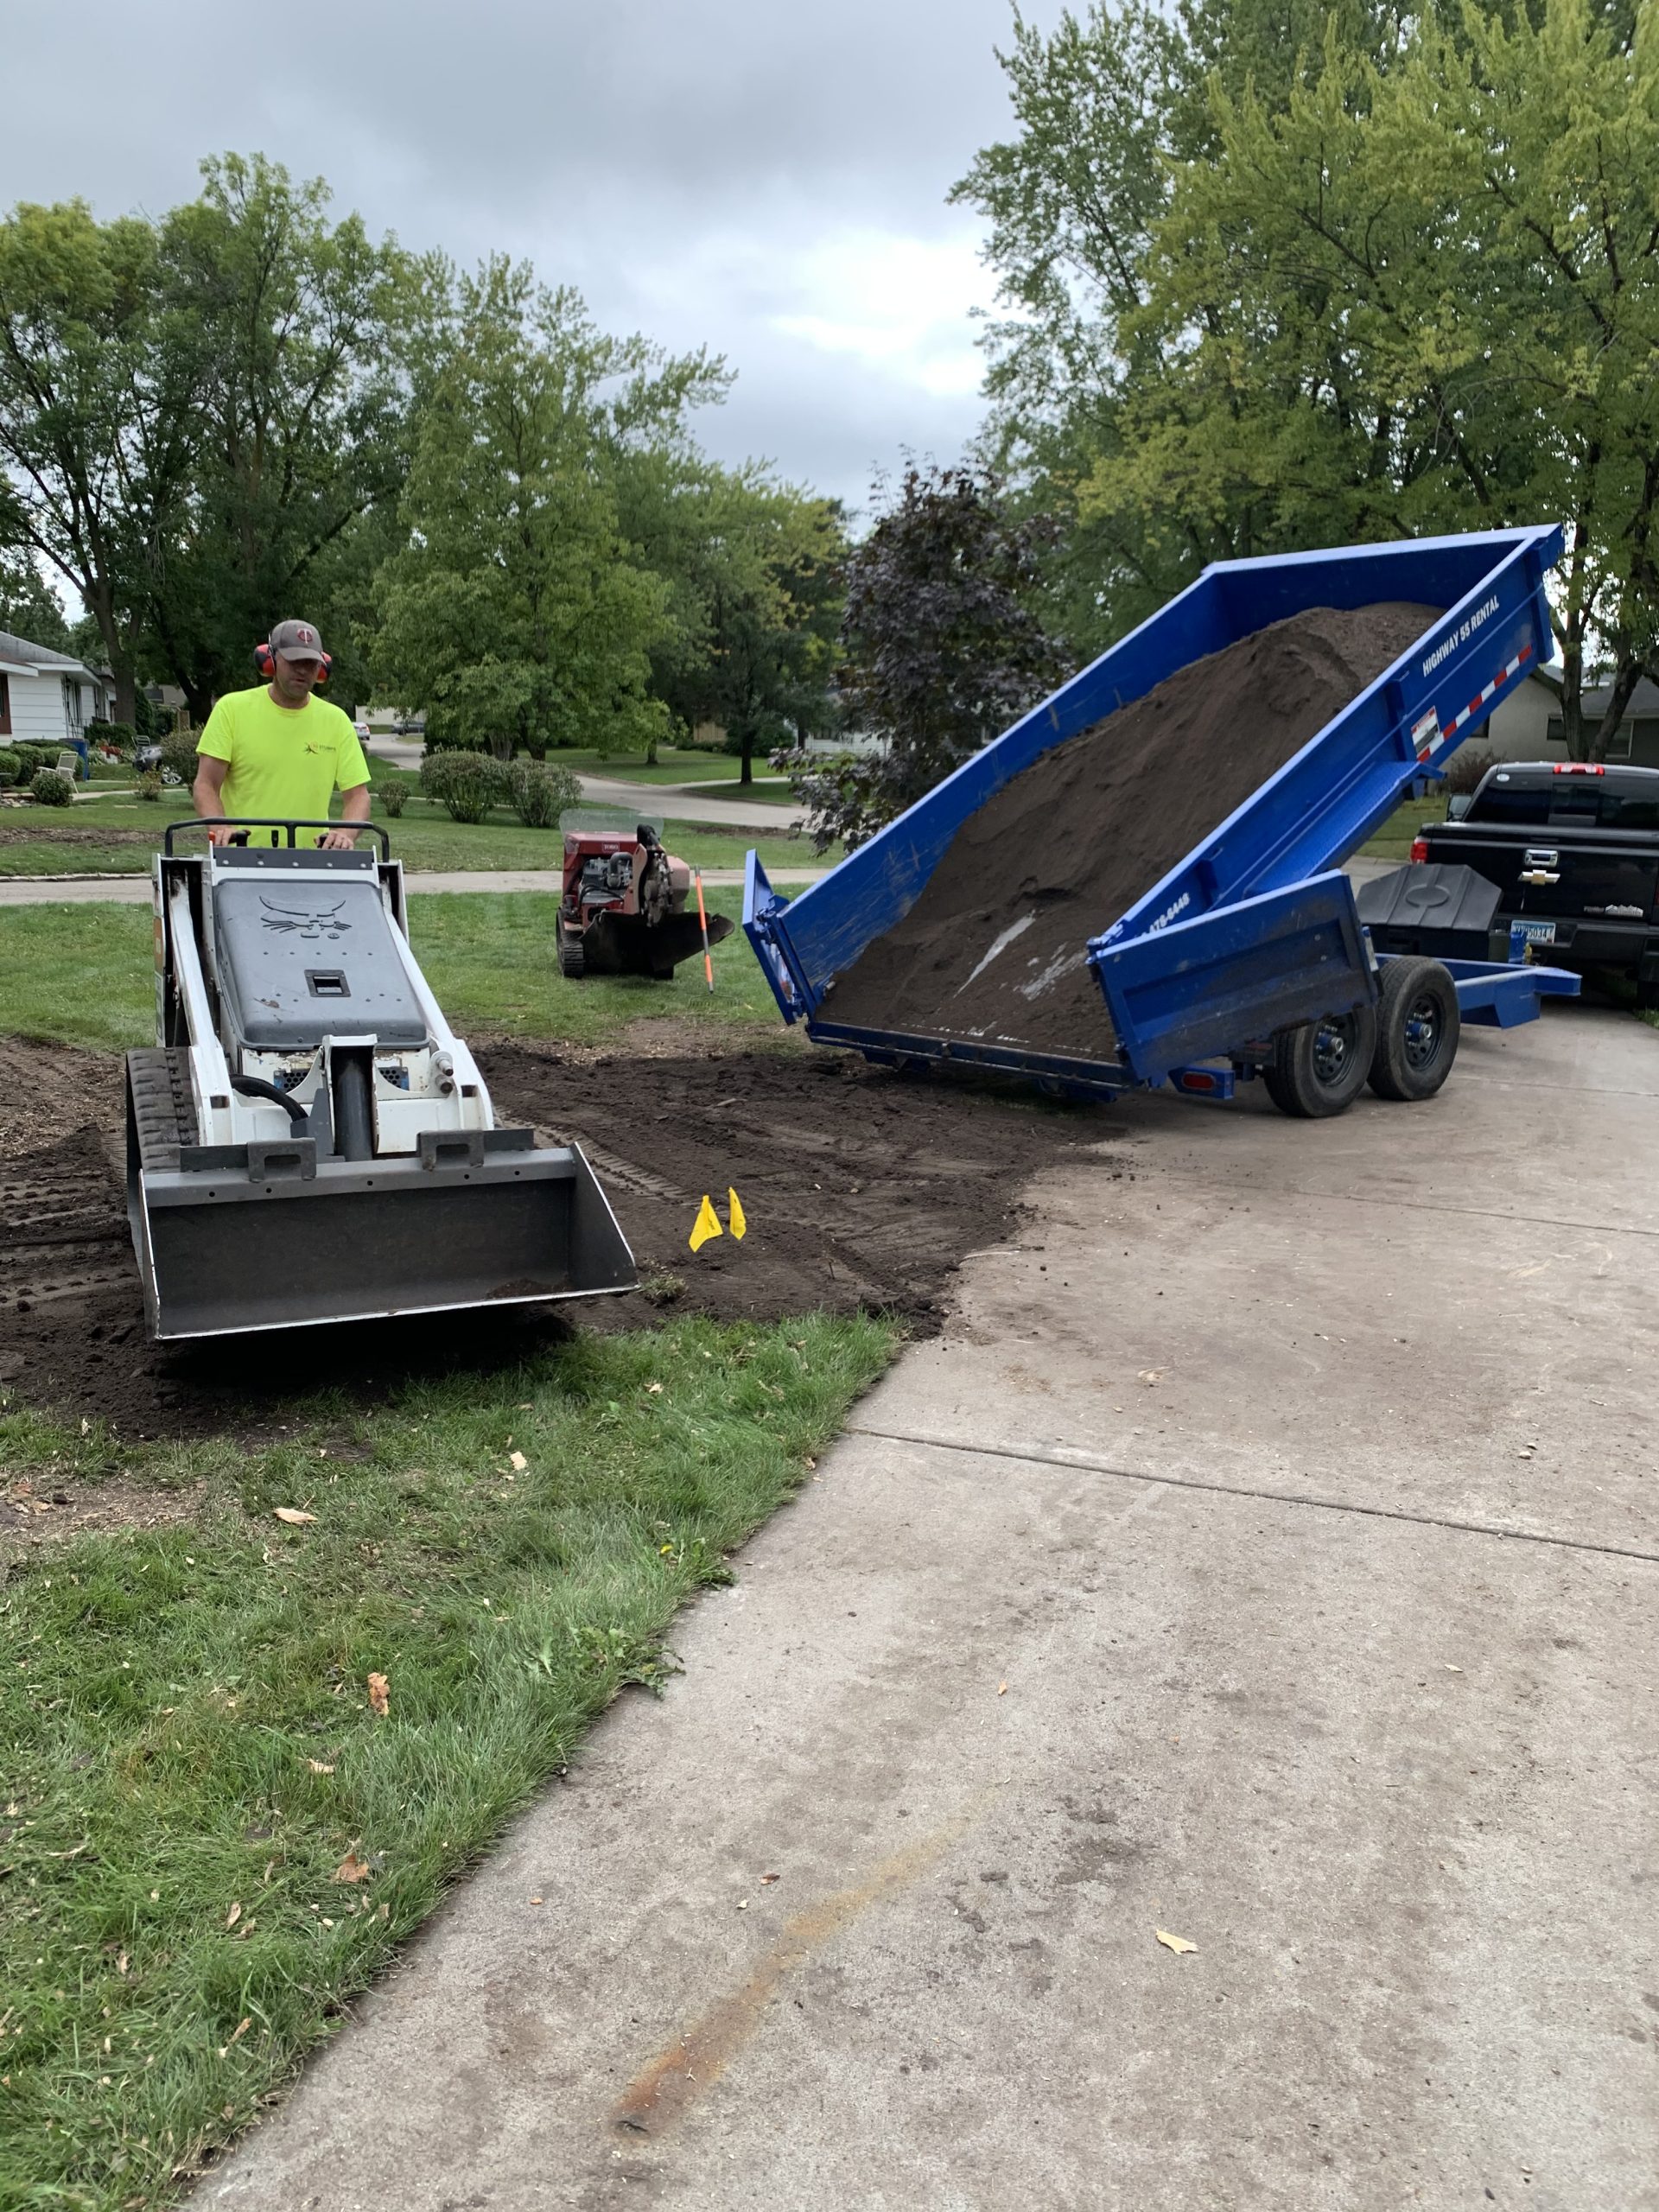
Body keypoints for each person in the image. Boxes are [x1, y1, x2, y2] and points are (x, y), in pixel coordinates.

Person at [193, 619, 372, 849]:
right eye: (294, 660)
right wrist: (220, 827)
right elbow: (205, 784)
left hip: (313, 865)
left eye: (310, 663)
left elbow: (359, 796)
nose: (302, 669)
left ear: (322, 668)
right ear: (270, 660)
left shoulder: (336, 720)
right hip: (242, 861)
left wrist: (345, 833)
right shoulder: (232, 709)